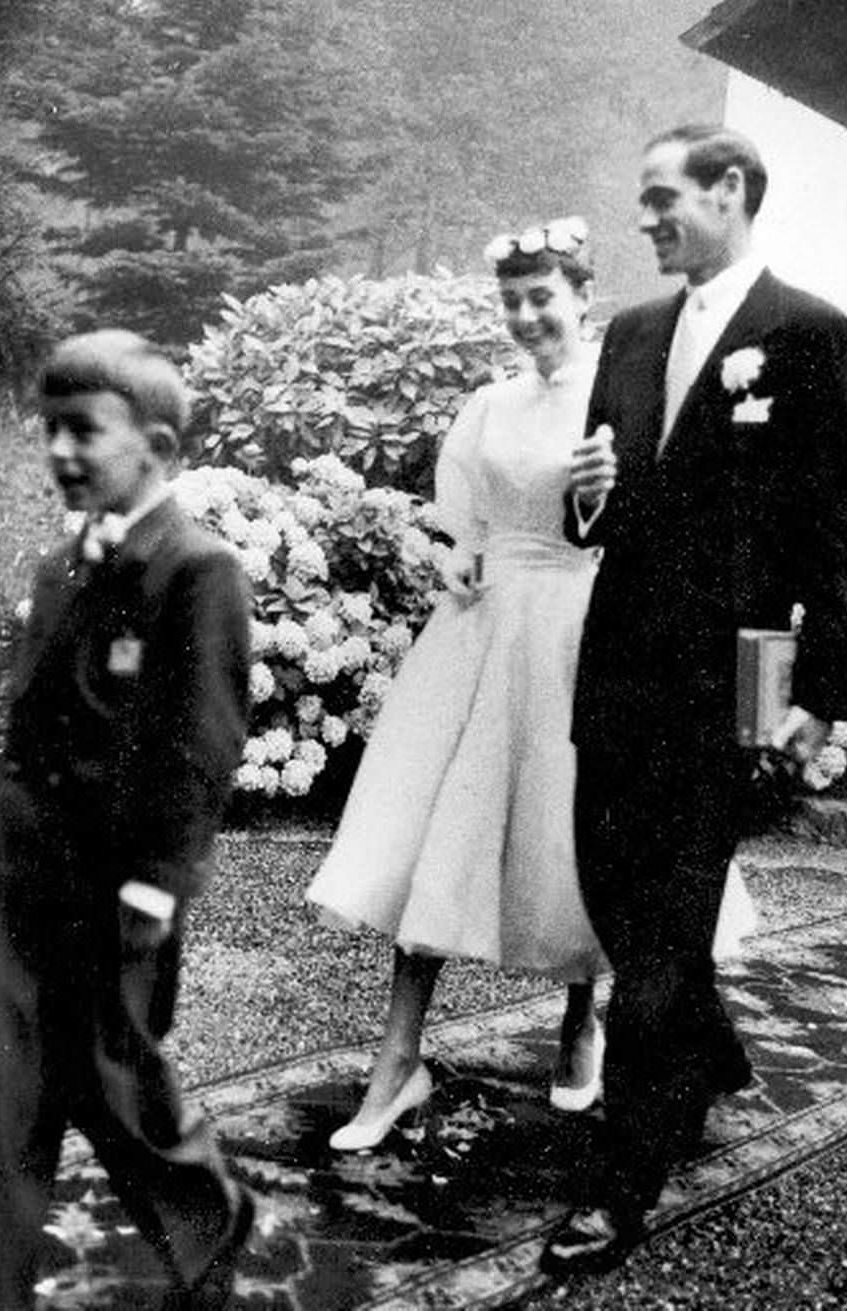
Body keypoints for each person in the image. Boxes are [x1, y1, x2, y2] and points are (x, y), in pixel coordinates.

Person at [307, 218, 756, 1152]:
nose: (525, 317)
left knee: (582, 831)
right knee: (441, 834)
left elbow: (640, 520)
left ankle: (582, 1012)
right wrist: (460, 558)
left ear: (581, 295)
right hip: (482, 635)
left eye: (541, 297)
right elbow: (464, 514)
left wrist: (601, 495)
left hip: (584, 630)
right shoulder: (489, 404)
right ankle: (398, 1061)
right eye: (511, 301)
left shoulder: (623, 391)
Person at [540, 124, 847, 1278]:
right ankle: (705, 1054)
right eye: (642, 201)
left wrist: (826, 695)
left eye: (663, 197)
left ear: (731, 192)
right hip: (616, 670)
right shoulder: (627, 334)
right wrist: (585, 499)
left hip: (720, 689)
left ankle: (618, 1185)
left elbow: (832, 525)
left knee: (663, 938)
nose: (646, 219)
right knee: (610, 888)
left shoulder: (811, 334)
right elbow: (601, 509)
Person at [0, 330, 254, 1310]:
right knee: (10, 1095)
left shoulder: (196, 569)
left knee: (116, 1094)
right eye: (50, 430)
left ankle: (207, 1221)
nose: (62, 452)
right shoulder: (63, 564)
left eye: (84, 432)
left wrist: (158, 881)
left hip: (114, 890)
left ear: (158, 445)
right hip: (20, 879)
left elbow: (203, 742)